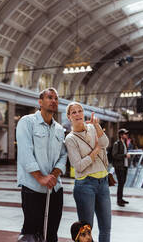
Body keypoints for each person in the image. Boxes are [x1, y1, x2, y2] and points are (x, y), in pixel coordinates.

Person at [16, 87, 67, 242]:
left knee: (51, 233)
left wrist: (54, 175)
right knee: (32, 233)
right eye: (49, 97)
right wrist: (40, 178)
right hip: (33, 188)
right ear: (40, 101)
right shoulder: (27, 122)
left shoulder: (59, 129)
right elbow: (25, 153)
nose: (53, 101)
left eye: (56, 98)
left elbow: (63, 155)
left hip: (55, 189)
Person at [65, 102, 111, 242]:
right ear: (69, 117)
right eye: (74, 112)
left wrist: (97, 126)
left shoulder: (92, 127)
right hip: (85, 186)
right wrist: (96, 150)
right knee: (86, 231)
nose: (78, 114)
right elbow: (78, 166)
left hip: (103, 183)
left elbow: (105, 143)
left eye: (80, 111)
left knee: (106, 227)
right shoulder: (70, 139)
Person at [112, 128, 130, 207]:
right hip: (119, 167)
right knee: (121, 183)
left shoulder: (124, 143)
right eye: (125, 134)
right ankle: (119, 200)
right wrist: (125, 155)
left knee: (122, 183)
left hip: (124, 166)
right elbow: (114, 155)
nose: (126, 135)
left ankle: (121, 198)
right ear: (121, 135)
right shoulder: (117, 143)